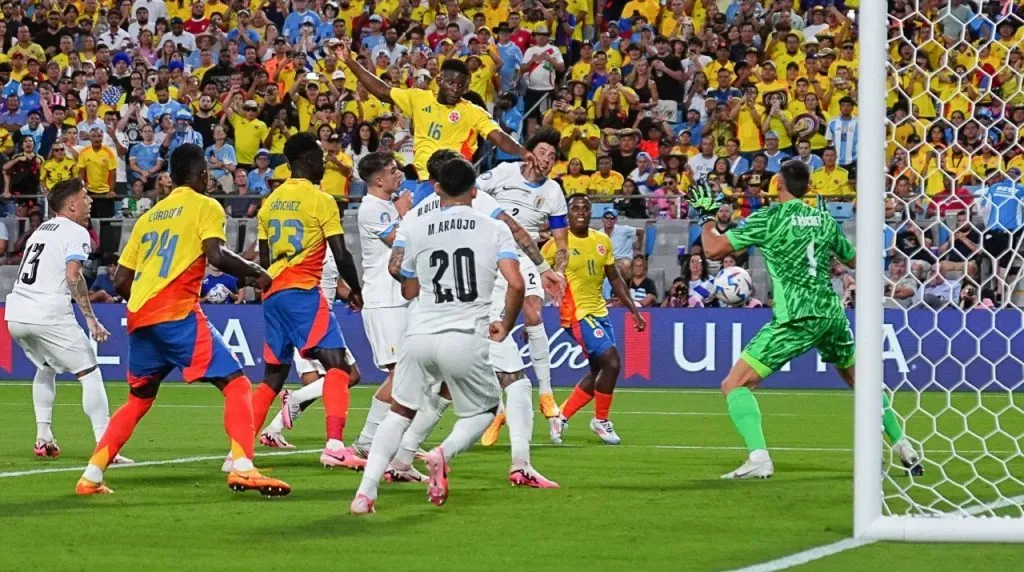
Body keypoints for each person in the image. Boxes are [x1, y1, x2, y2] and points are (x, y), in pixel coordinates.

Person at [75, 144, 289, 496]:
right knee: (236, 385)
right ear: (202, 174)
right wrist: (255, 272)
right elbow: (217, 256)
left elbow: (120, 282)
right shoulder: (206, 205)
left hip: (140, 315)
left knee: (138, 399)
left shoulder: (148, 218)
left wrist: (148, 302)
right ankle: (244, 467)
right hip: (176, 312)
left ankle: (91, 476)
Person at [689, 164, 922, 479]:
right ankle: (902, 445)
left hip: (796, 318)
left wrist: (707, 216)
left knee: (734, 384)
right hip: (831, 314)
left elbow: (714, 250)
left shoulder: (771, 218)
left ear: (778, 183)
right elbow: (855, 260)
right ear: (809, 187)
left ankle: (759, 458)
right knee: (861, 382)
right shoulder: (824, 218)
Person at [349, 157, 525, 514]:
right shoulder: (494, 228)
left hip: (420, 335)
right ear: (475, 191)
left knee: (399, 411)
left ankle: (365, 493)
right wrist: (505, 323)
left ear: (437, 188)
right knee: (486, 410)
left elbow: (405, 281)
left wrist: (416, 286)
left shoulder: (416, 225)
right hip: (465, 334)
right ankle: (443, 453)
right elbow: (516, 282)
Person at [251, 132, 365, 470]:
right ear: (308, 161)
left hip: (272, 296)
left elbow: (263, 258)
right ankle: (333, 444)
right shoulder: (321, 200)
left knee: (272, 377)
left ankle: (238, 452)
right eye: (320, 157)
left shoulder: (270, 202)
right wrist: (356, 289)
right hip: (303, 292)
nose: (324, 163)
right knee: (340, 369)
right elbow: (341, 253)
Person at [3, 179, 128, 464]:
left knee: (45, 367)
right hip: (48, 312)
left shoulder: (39, 231)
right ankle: (106, 446)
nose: (90, 201)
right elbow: (73, 276)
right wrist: (91, 319)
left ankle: (43, 437)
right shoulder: (76, 231)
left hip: (17, 311)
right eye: (85, 197)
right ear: (72, 205)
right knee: (89, 372)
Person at [336, 41, 537, 206]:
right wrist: (349, 61)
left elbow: (498, 136)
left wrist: (522, 152)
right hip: (424, 183)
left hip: (456, 185)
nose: (455, 89)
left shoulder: (472, 111)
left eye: (461, 85)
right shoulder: (419, 98)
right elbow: (381, 90)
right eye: (451, 82)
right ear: (439, 80)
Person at [474, 127, 569, 432]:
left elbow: (561, 242)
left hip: (528, 257)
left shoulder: (553, 191)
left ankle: (546, 392)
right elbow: (469, 192)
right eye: (543, 152)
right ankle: (497, 407)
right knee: (488, 330)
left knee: (533, 311)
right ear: (530, 153)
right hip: (490, 253)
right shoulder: (503, 173)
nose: (547, 159)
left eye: (553, 156)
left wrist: (559, 271)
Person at [547, 194, 646, 445]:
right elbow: (535, 274)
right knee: (612, 363)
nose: (581, 212)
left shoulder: (602, 240)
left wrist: (633, 310)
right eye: (575, 208)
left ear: (592, 213)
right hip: (576, 314)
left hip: (600, 311)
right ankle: (600, 420)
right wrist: (531, 314)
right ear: (567, 214)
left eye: (585, 208)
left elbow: (614, 279)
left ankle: (561, 416)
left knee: (599, 369)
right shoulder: (557, 243)